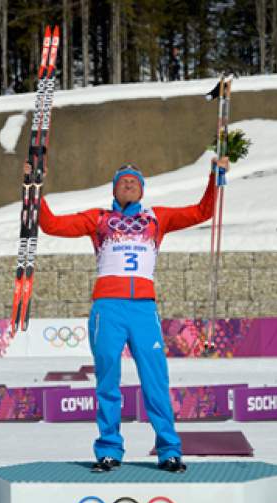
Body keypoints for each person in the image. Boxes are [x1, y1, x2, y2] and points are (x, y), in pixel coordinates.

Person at [30, 156, 230, 473]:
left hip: (143, 309)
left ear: (142, 191)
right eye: (123, 179)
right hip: (107, 308)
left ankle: (169, 450)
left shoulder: (157, 217)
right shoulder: (98, 218)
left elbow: (202, 212)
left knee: (155, 381)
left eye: (135, 180)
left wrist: (215, 176)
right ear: (114, 188)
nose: (129, 182)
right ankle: (109, 449)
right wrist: (35, 192)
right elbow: (51, 225)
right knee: (108, 381)